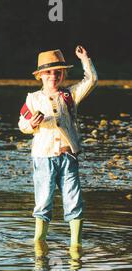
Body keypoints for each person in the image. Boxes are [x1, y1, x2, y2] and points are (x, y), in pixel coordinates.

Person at [18, 46, 98, 250]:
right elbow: (22, 125)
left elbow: (91, 81)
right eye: (48, 72)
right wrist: (32, 124)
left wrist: (85, 59)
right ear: (40, 76)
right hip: (43, 158)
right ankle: (39, 244)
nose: (53, 75)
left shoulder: (70, 95)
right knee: (43, 201)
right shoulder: (33, 98)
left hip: (68, 157)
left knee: (74, 200)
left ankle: (75, 245)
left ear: (63, 74)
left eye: (57, 72)